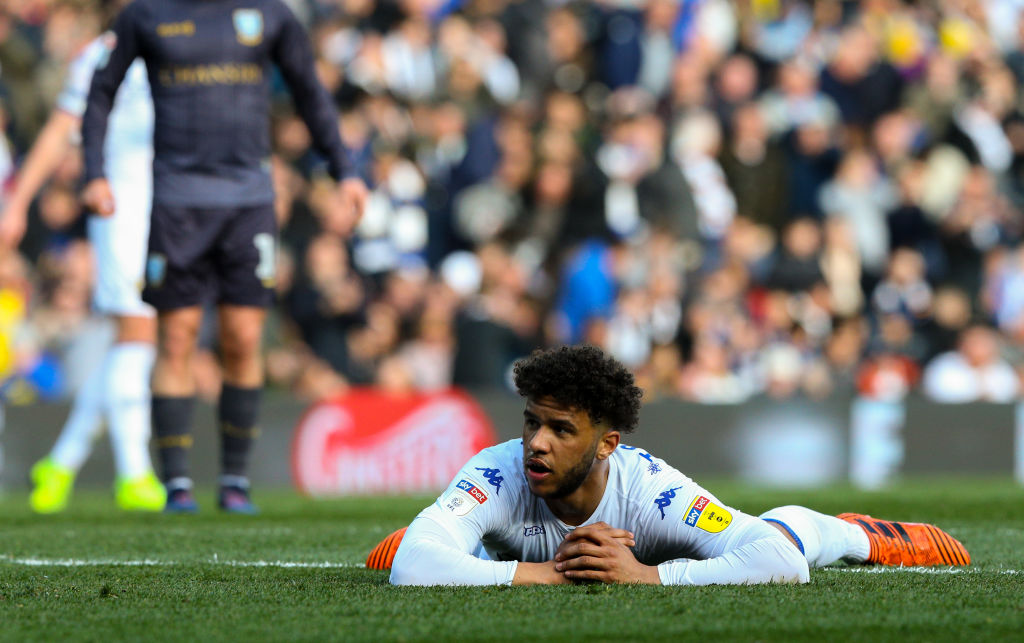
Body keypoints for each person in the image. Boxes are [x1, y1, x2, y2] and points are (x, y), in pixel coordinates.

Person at [80, 0, 368, 513]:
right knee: (177, 337)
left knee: (242, 338)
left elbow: (308, 91)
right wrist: (93, 172)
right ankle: (176, 487)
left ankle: (235, 481)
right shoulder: (145, 14)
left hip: (249, 203)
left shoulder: (270, 14)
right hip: (177, 204)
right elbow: (100, 91)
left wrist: (344, 169)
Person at [367, 345, 969, 585]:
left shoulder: (653, 490)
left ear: (606, 444)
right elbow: (413, 567)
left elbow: (779, 563)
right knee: (427, 548)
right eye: (531, 422)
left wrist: (647, 578)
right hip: (527, 550)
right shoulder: (496, 471)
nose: (536, 444)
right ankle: (464, 540)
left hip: (653, 548)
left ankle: (857, 533)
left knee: (787, 533)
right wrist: (553, 574)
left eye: (560, 430)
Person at [0, 4, 165, 513]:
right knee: (138, 330)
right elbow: (60, 130)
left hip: (176, 211)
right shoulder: (101, 55)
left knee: (135, 337)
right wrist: (20, 200)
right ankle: (136, 474)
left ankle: (61, 463)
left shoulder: (182, 50)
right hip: (118, 209)